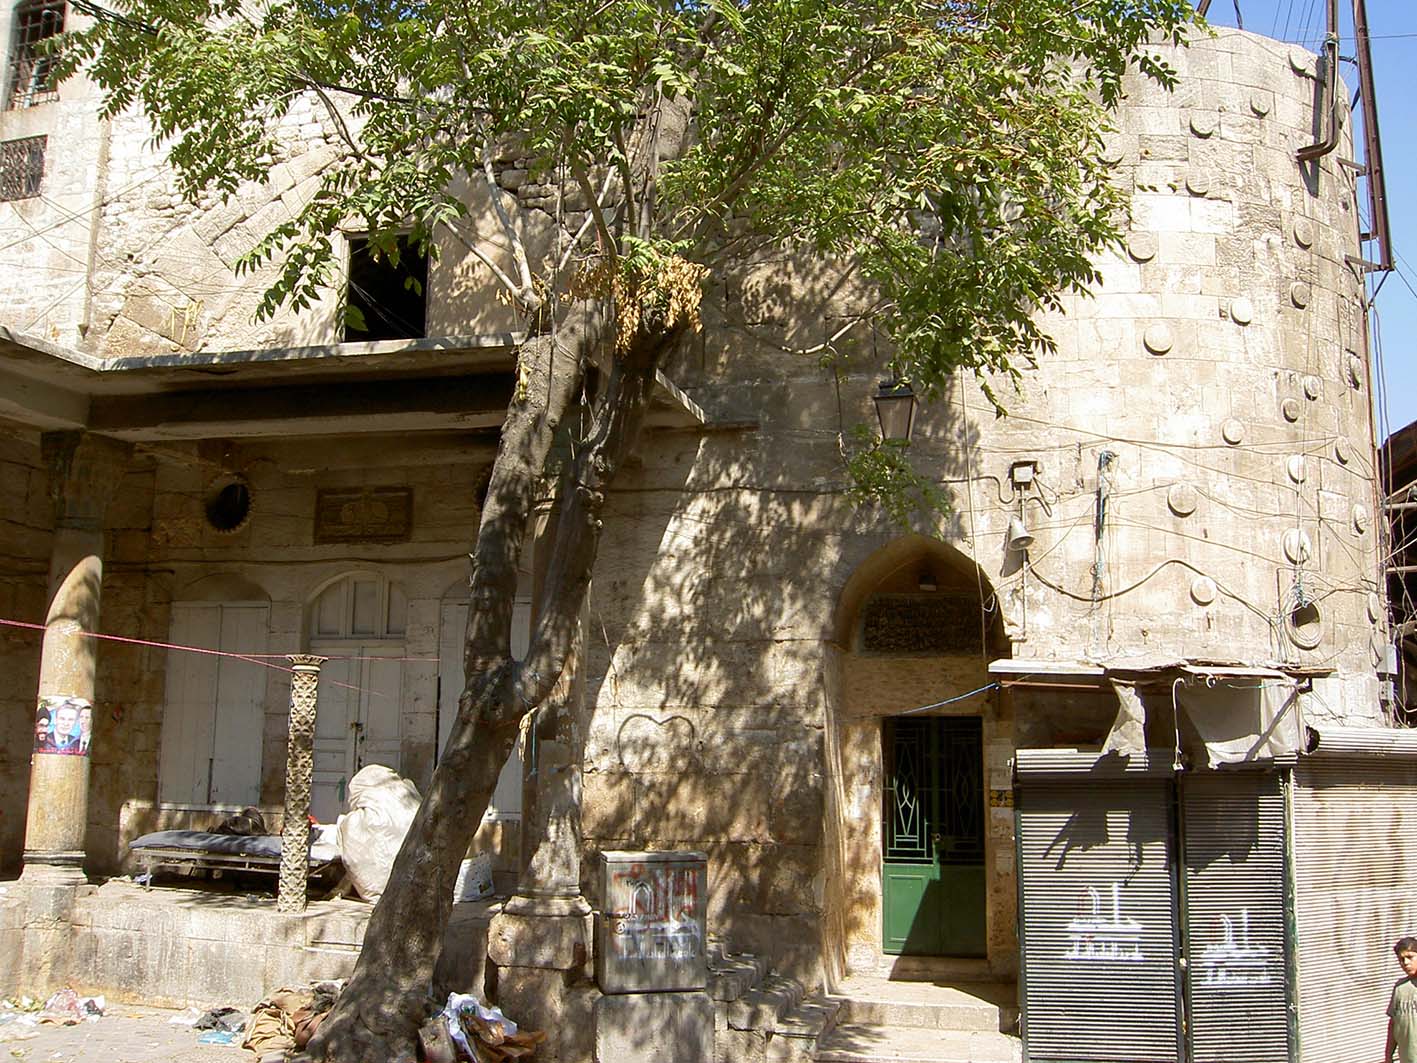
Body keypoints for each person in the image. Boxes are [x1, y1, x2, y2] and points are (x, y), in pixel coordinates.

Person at [1387, 936, 1417, 1063]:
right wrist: (1388, 1056)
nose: (1405, 963)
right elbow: (1393, 1024)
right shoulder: (1400, 988)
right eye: (1401, 959)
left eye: (1410, 957)